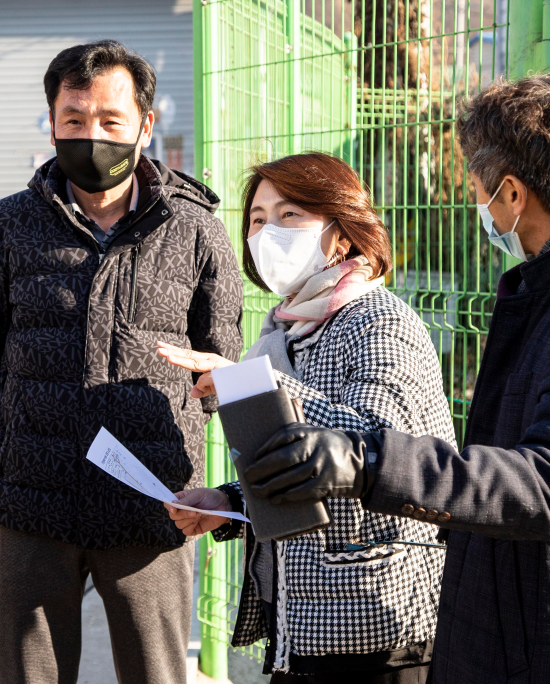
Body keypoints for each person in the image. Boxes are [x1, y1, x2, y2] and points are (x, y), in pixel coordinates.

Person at [242, 70, 550, 683]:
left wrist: (368, 460)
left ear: (510, 194)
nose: (472, 201)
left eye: (476, 187)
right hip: (524, 628)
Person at [0, 40, 243, 684]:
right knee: (31, 674)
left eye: (111, 121)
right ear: (52, 123)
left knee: (156, 672)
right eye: (74, 120)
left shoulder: (196, 230)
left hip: (153, 498)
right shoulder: (2, 229)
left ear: (145, 124)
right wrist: (22, 420)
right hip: (32, 497)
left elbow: (221, 358)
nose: (92, 136)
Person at [159, 152, 456, 683]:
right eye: (256, 219)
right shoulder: (282, 334)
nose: (267, 231)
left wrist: (253, 387)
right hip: (301, 629)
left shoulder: (380, 321)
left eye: (289, 214)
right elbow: (297, 458)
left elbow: (377, 446)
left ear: (341, 236)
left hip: (380, 629)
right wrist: (228, 503)